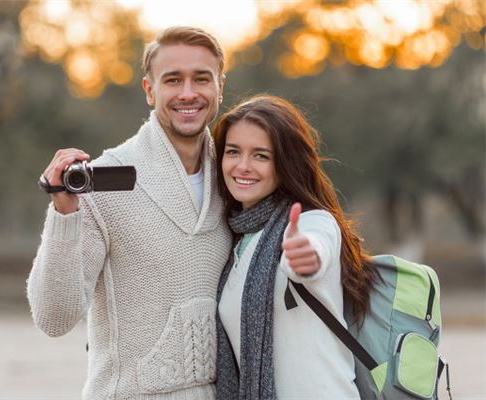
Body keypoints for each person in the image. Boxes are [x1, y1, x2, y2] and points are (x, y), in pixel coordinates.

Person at [27, 26, 232, 399]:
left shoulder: (235, 179)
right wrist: (63, 212)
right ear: (150, 90)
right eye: (173, 80)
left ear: (220, 85)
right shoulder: (103, 181)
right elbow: (53, 318)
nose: (188, 93)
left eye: (201, 79)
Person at [213, 95, 378, 399]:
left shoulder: (313, 222)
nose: (243, 166)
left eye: (261, 155)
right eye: (233, 151)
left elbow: (314, 251)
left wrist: (305, 256)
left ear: (285, 163)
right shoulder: (235, 242)